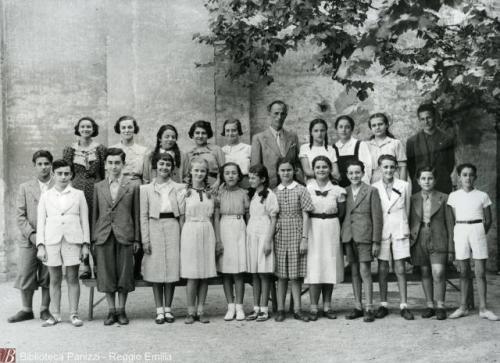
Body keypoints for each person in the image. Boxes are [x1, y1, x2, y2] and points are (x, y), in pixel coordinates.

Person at [36, 160, 90, 327]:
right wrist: (41, 245)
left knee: (73, 277)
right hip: (51, 240)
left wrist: (85, 244)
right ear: (53, 174)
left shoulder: (78, 194)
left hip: (73, 240)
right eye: (59, 173)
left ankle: (74, 314)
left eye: (67, 173)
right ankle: (56, 314)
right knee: (54, 279)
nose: (63, 176)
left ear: (71, 175)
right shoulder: (46, 196)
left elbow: (84, 220)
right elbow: (40, 222)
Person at [91, 148, 140, 326]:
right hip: (103, 234)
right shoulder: (98, 186)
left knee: (124, 273)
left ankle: (122, 309)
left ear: (123, 164)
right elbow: (94, 214)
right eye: (110, 163)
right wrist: (93, 238)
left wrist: (136, 239)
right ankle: (111, 311)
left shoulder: (132, 186)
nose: (114, 166)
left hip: (125, 234)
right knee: (106, 273)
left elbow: (136, 213)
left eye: (117, 162)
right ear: (105, 165)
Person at [447, 163, 499, 321]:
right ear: (459, 177)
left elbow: (488, 219)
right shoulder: (454, 196)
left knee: (480, 272)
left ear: (475, 177)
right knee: (463, 271)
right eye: (464, 174)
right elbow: (451, 219)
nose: (467, 178)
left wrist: (480, 231)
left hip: (477, 229)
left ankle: (483, 308)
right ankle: (463, 307)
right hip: (460, 229)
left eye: (471, 175)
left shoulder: (482, 195)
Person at [8, 150, 54, 323]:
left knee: (48, 274)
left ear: (51, 164)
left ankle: (45, 309)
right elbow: (20, 216)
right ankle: (26, 309)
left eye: (46, 163)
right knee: (26, 272)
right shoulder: (25, 187)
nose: (43, 167)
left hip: (51, 238)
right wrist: (32, 235)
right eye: (40, 164)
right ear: (34, 166)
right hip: (29, 238)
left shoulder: (58, 185)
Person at [140, 153, 184, 324]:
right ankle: (159, 310)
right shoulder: (146, 189)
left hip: (173, 225)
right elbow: (143, 216)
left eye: (167, 164)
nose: (164, 167)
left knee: (171, 267)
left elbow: (182, 214)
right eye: (161, 163)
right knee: (156, 268)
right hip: (154, 226)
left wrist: (182, 234)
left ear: (172, 168)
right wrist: (145, 239)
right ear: (155, 166)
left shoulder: (179, 187)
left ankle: (168, 309)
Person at [371, 154, 414, 320]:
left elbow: (408, 210)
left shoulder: (404, 185)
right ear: (380, 168)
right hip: (382, 230)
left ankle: (404, 305)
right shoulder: (374, 187)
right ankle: (383, 304)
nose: (388, 170)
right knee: (382, 268)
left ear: (396, 168)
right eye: (385, 167)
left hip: (399, 229)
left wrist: (407, 230)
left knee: (400, 268)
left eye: (391, 167)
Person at [62, 117, 106, 279]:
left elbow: (103, 171)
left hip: (96, 190)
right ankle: (84, 263)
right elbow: (67, 172)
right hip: (77, 189)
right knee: (80, 223)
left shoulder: (100, 149)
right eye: (83, 126)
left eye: (89, 126)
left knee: (96, 223)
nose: (86, 129)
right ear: (78, 129)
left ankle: (99, 264)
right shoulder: (70, 150)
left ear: (93, 129)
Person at [409, 166, 454, 320]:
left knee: (438, 272)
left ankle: (440, 305)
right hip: (420, 237)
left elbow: (450, 224)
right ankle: (429, 305)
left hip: (438, 237)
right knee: (425, 272)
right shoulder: (413, 198)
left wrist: (451, 249)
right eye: (423, 178)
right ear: (418, 181)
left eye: (430, 178)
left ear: (435, 180)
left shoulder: (444, 197)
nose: (426, 181)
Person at [341, 159, 383, 323]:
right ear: (347, 175)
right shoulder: (344, 191)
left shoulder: (371, 191)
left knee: (365, 271)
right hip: (349, 236)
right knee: (354, 272)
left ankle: (369, 307)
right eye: (351, 173)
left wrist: (376, 241)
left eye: (357, 172)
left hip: (365, 237)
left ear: (363, 173)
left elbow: (377, 217)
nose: (354, 175)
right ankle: (358, 306)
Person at [305, 156, 346, 321]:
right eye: (317, 167)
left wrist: (333, 223)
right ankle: (314, 307)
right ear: (313, 170)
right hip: (313, 228)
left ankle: (328, 305)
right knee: (315, 266)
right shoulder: (307, 188)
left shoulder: (338, 190)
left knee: (329, 266)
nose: (321, 170)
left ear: (330, 169)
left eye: (324, 167)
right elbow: (305, 211)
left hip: (331, 227)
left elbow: (342, 213)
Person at [273, 158, 313, 322]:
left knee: (295, 275)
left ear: (294, 171)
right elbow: (273, 215)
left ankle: (297, 309)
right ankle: (281, 309)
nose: (286, 173)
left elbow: (306, 214)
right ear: (278, 172)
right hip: (280, 233)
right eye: (282, 170)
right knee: (282, 275)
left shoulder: (301, 189)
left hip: (297, 231)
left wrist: (304, 238)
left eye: (289, 170)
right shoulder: (274, 191)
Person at [180, 158, 219, 324]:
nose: (199, 174)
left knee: (204, 274)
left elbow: (214, 218)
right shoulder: (184, 193)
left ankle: (201, 309)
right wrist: (183, 238)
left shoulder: (211, 194)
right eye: (196, 170)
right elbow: (181, 218)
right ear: (190, 171)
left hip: (206, 230)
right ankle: (190, 311)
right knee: (192, 275)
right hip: (190, 230)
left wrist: (217, 240)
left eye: (202, 171)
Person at [110, 115, 148, 280]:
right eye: (123, 127)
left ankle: (137, 267)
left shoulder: (143, 150)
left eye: (130, 127)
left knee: (137, 221)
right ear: (119, 129)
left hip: (136, 185)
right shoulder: (112, 149)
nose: (126, 130)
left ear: (135, 129)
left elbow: (146, 174)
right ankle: (118, 266)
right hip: (118, 187)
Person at [215, 162, 249, 321]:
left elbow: (249, 217)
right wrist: (218, 239)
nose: (231, 176)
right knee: (226, 271)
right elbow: (216, 217)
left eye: (234, 173)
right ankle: (230, 306)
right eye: (227, 173)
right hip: (224, 227)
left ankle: (239, 306)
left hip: (239, 227)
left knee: (238, 271)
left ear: (239, 175)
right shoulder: (219, 193)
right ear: (223, 176)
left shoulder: (244, 193)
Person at [245, 164, 279, 322]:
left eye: (254, 177)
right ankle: (256, 308)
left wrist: (268, 241)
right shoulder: (253, 194)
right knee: (255, 274)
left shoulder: (270, 195)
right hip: (252, 235)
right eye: (249, 177)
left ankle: (265, 309)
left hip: (264, 235)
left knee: (264, 273)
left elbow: (273, 220)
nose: (250, 180)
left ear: (263, 179)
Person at [251, 100, 302, 188]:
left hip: (291, 186)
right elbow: (256, 168)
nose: (279, 117)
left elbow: (297, 162)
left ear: (285, 115)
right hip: (269, 186)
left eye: (282, 114)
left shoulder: (292, 137)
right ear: (269, 114)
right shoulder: (259, 138)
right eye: (276, 113)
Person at [406, 104, 456, 193]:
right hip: (420, 187)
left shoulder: (447, 139)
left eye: (429, 118)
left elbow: (450, 164)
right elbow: (411, 168)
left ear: (434, 117)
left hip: (442, 185)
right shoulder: (412, 141)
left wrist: (441, 175)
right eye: (422, 119)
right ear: (419, 120)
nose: (426, 121)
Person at [183, 120, 225, 191]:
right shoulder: (188, 152)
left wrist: (218, 183)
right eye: (197, 133)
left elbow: (223, 169)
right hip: (194, 187)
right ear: (193, 135)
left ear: (208, 134)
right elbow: (186, 173)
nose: (200, 136)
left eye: (203, 133)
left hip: (213, 186)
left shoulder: (216, 149)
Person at [367, 113, 407, 183]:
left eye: (380, 124)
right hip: (374, 182)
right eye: (374, 125)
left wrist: (402, 186)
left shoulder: (395, 143)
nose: (377, 127)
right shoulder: (366, 145)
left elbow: (403, 167)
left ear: (386, 125)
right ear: (371, 128)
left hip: (394, 181)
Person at [333, 115, 372, 187]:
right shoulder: (333, 148)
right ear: (336, 129)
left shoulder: (360, 145)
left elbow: (367, 169)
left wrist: (362, 188)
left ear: (351, 129)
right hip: (340, 188)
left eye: (347, 127)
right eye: (340, 127)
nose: (343, 130)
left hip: (358, 186)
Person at [299, 119, 340, 184]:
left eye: (322, 130)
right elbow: (307, 171)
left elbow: (336, 173)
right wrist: (326, 175)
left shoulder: (331, 149)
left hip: (329, 184)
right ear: (311, 132)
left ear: (326, 132)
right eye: (316, 131)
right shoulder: (305, 148)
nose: (319, 134)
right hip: (312, 185)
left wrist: (323, 176)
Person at [221, 119, 252, 189]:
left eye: (234, 130)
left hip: (246, 185)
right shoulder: (221, 151)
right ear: (224, 132)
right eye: (227, 131)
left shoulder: (248, 148)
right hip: (228, 186)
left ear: (239, 131)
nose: (230, 133)